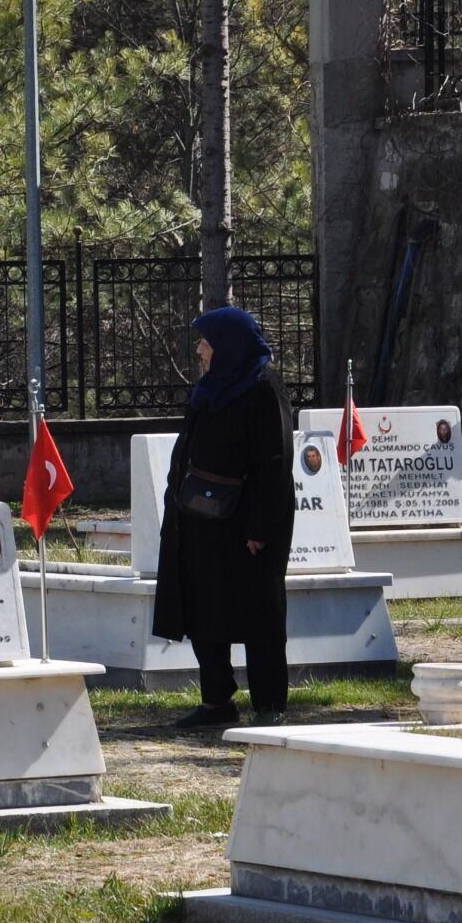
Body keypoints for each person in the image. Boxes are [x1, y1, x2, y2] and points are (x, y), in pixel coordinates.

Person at [153, 306, 296, 727]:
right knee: (203, 609)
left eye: (206, 343)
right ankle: (218, 702)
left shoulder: (264, 388)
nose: (199, 351)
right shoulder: (212, 387)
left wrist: (260, 528)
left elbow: (275, 463)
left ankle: (270, 705)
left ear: (228, 346)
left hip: (246, 527)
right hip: (201, 521)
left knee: (259, 615)